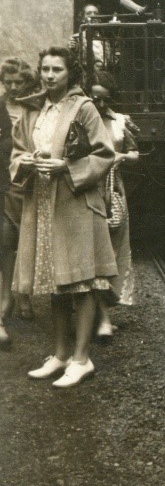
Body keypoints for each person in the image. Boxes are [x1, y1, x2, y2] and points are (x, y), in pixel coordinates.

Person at [10, 47, 117, 387]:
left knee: (81, 282)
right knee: (56, 282)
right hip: (42, 202)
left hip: (75, 204)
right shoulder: (32, 109)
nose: (50, 75)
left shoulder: (83, 107)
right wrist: (23, 161)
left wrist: (67, 167)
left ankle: (81, 359)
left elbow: (105, 153)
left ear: (70, 73)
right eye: (45, 69)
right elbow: (16, 151)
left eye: (57, 69)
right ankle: (59, 355)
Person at [90, 70, 139, 338]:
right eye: (94, 98)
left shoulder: (120, 122)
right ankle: (102, 319)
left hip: (114, 192)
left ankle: (102, 314)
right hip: (87, 190)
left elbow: (135, 153)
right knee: (95, 253)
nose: (99, 104)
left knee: (114, 251)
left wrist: (121, 157)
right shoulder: (81, 120)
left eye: (104, 99)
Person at [0, 59, 39, 345]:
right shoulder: (1, 106)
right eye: (8, 82)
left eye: (18, 82)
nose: (13, 87)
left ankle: (24, 294)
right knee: (7, 239)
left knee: (29, 238)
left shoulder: (35, 107)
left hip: (30, 180)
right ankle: (6, 299)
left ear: (28, 82)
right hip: (5, 180)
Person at [69, 4, 106, 70]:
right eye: (89, 13)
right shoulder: (77, 38)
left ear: (99, 19)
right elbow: (73, 59)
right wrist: (73, 49)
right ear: (83, 19)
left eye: (96, 13)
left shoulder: (105, 38)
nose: (93, 16)